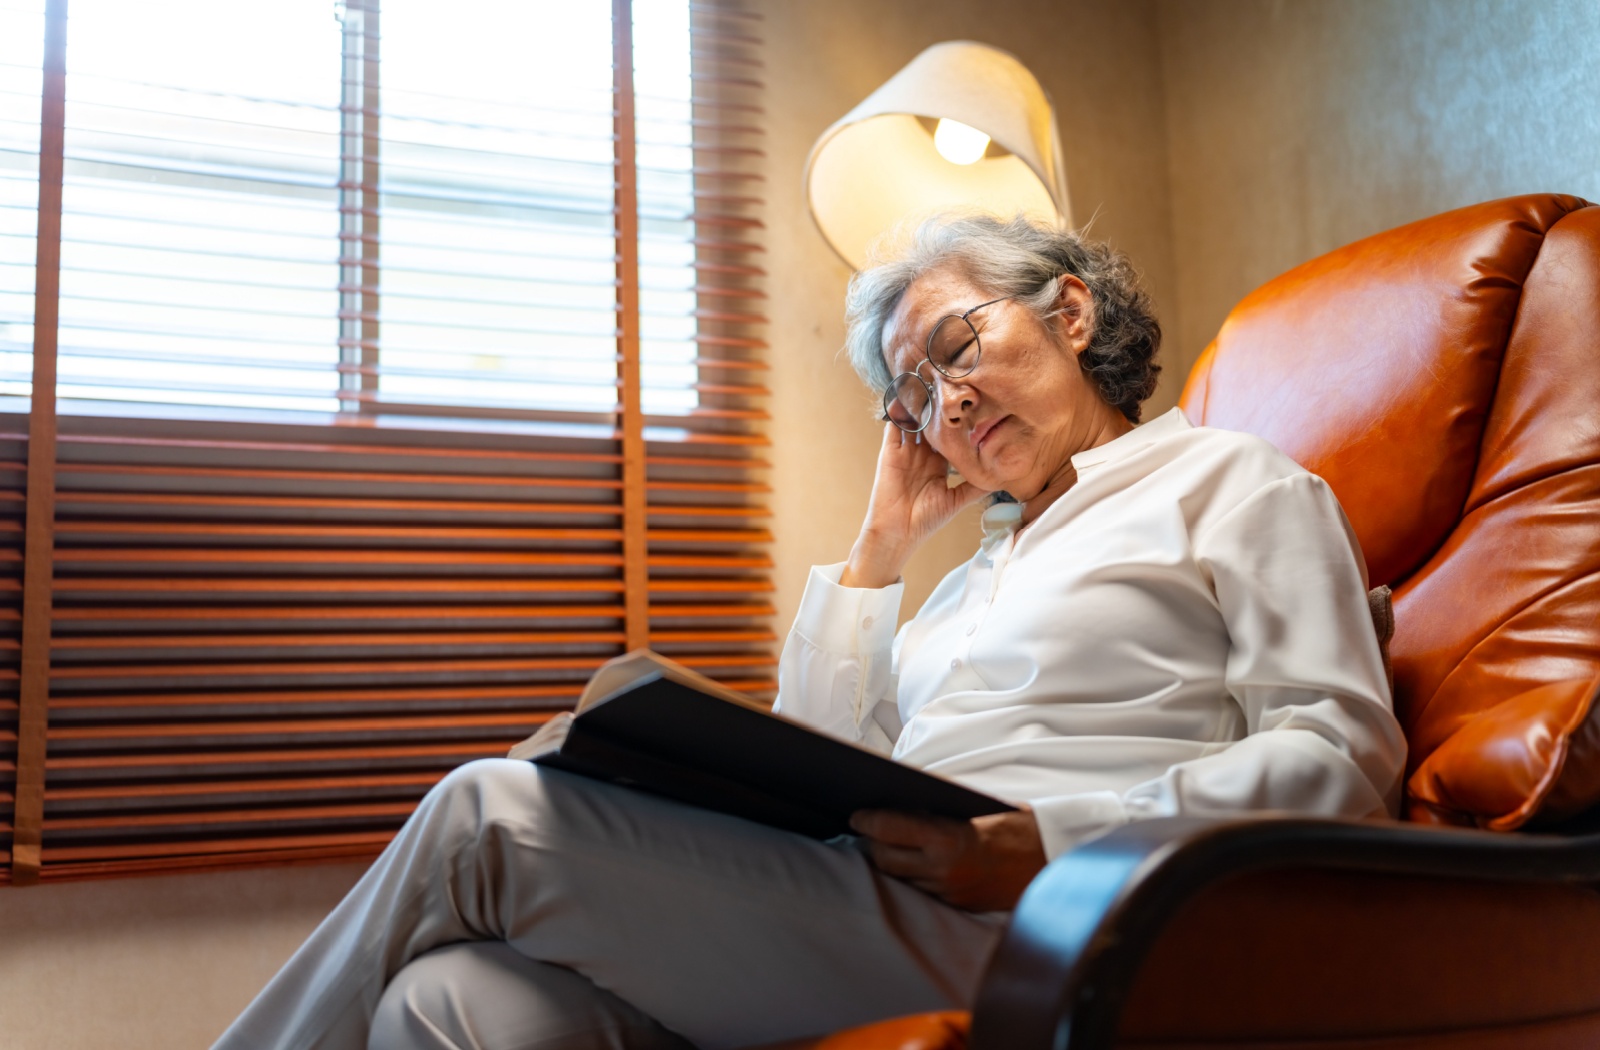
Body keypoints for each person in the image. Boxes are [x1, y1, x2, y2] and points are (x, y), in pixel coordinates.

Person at [212, 215, 1406, 1050]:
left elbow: (1340, 757)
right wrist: (882, 546)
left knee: (487, 812)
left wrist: (1045, 844)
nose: (947, 404)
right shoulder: (968, 579)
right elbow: (823, 761)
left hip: (1048, 921)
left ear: (1072, 313)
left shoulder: (1231, 483)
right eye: (916, 398)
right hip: (862, 904)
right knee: (446, 1002)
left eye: (957, 350)